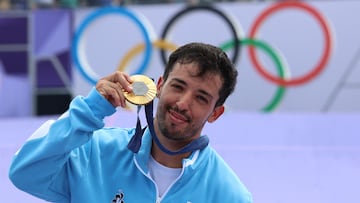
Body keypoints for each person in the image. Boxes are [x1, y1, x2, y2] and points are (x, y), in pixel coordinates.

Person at [9, 42, 253, 202]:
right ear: (158, 86)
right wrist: (89, 111)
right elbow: (24, 172)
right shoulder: (94, 153)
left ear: (215, 113)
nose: (182, 103)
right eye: (178, 86)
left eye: (201, 98)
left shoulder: (228, 194)